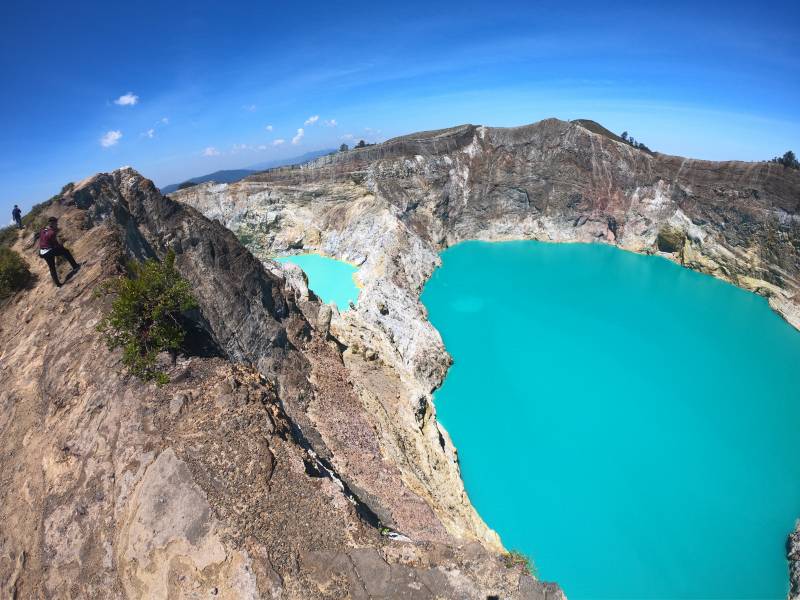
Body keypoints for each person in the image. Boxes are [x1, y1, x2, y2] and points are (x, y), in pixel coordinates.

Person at [38, 217, 80, 287]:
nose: (57, 224)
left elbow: (43, 238)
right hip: (49, 250)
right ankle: (75, 266)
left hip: (42, 252)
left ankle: (58, 284)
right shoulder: (52, 232)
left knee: (52, 267)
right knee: (66, 251)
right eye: (56, 223)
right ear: (52, 223)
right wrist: (61, 247)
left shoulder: (43, 230)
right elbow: (56, 245)